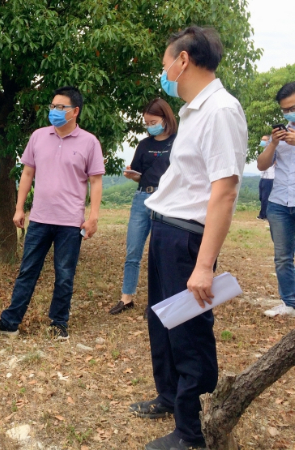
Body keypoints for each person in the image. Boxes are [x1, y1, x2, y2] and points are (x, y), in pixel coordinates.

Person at [129, 27, 247, 450]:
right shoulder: (194, 112)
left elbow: (225, 190)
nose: (163, 74)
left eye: (165, 65)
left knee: (189, 331)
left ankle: (191, 433)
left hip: (187, 239)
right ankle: (168, 396)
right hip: (165, 229)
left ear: (183, 61)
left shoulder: (221, 110)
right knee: (163, 319)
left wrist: (204, 265)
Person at [0, 86, 104, 340]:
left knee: (64, 275)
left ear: (75, 111)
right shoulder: (38, 136)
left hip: (70, 221)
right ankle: (10, 323)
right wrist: (19, 208)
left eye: (61, 107)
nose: (54, 111)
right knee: (27, 271)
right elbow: (27, 172)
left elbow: (95, 181)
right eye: (52, 106)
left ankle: (59, 323)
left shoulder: (89, 142)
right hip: (39, 218)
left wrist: (93, 217)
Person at [109, 99, 177, 315]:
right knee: (133, 250)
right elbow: (139, 174)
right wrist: (132, 175)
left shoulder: (178, 142)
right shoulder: (144, 145)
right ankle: (126, 298)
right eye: (146, 123)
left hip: (166, 200)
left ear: (166, 119)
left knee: (160, 253)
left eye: (153, 122)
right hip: (142, 198)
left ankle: (158, 301)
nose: (149, 126)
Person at [256, 81, 295, 318]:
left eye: (293, 108)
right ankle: (289, 302)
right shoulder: (281, 135)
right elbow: (262, 165)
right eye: (285, 110)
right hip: (279, 202)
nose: (289, 113)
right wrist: (273, 143)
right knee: (282, 257)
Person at [257, 135, 274, 220]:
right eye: (262, 139)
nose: (262, 141)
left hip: (270, 177)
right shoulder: (264, 151)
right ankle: (263, 213)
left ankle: (264, 215)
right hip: (263, 177)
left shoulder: (273, 151)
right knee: (261, 197)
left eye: (264, 140)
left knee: (265, 197)